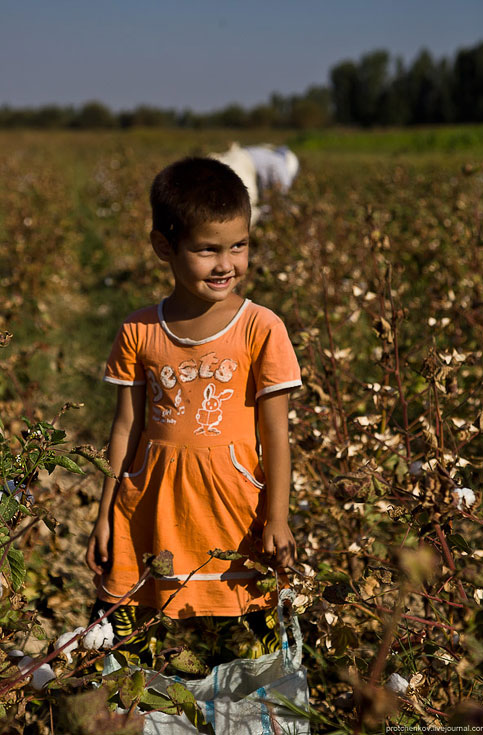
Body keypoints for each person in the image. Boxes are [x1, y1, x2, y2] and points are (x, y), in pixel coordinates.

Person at [85, 157, 301, 665]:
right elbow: (126, 427)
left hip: (234, 517)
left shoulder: (261, 328)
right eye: (207, 249)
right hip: (149, 513)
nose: (227, 264)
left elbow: (276, 437)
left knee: (245, 650)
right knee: (139, 647)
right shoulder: (139, 331)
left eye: (239, 246)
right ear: (165, 247)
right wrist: (104, 516)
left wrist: (279, 517)